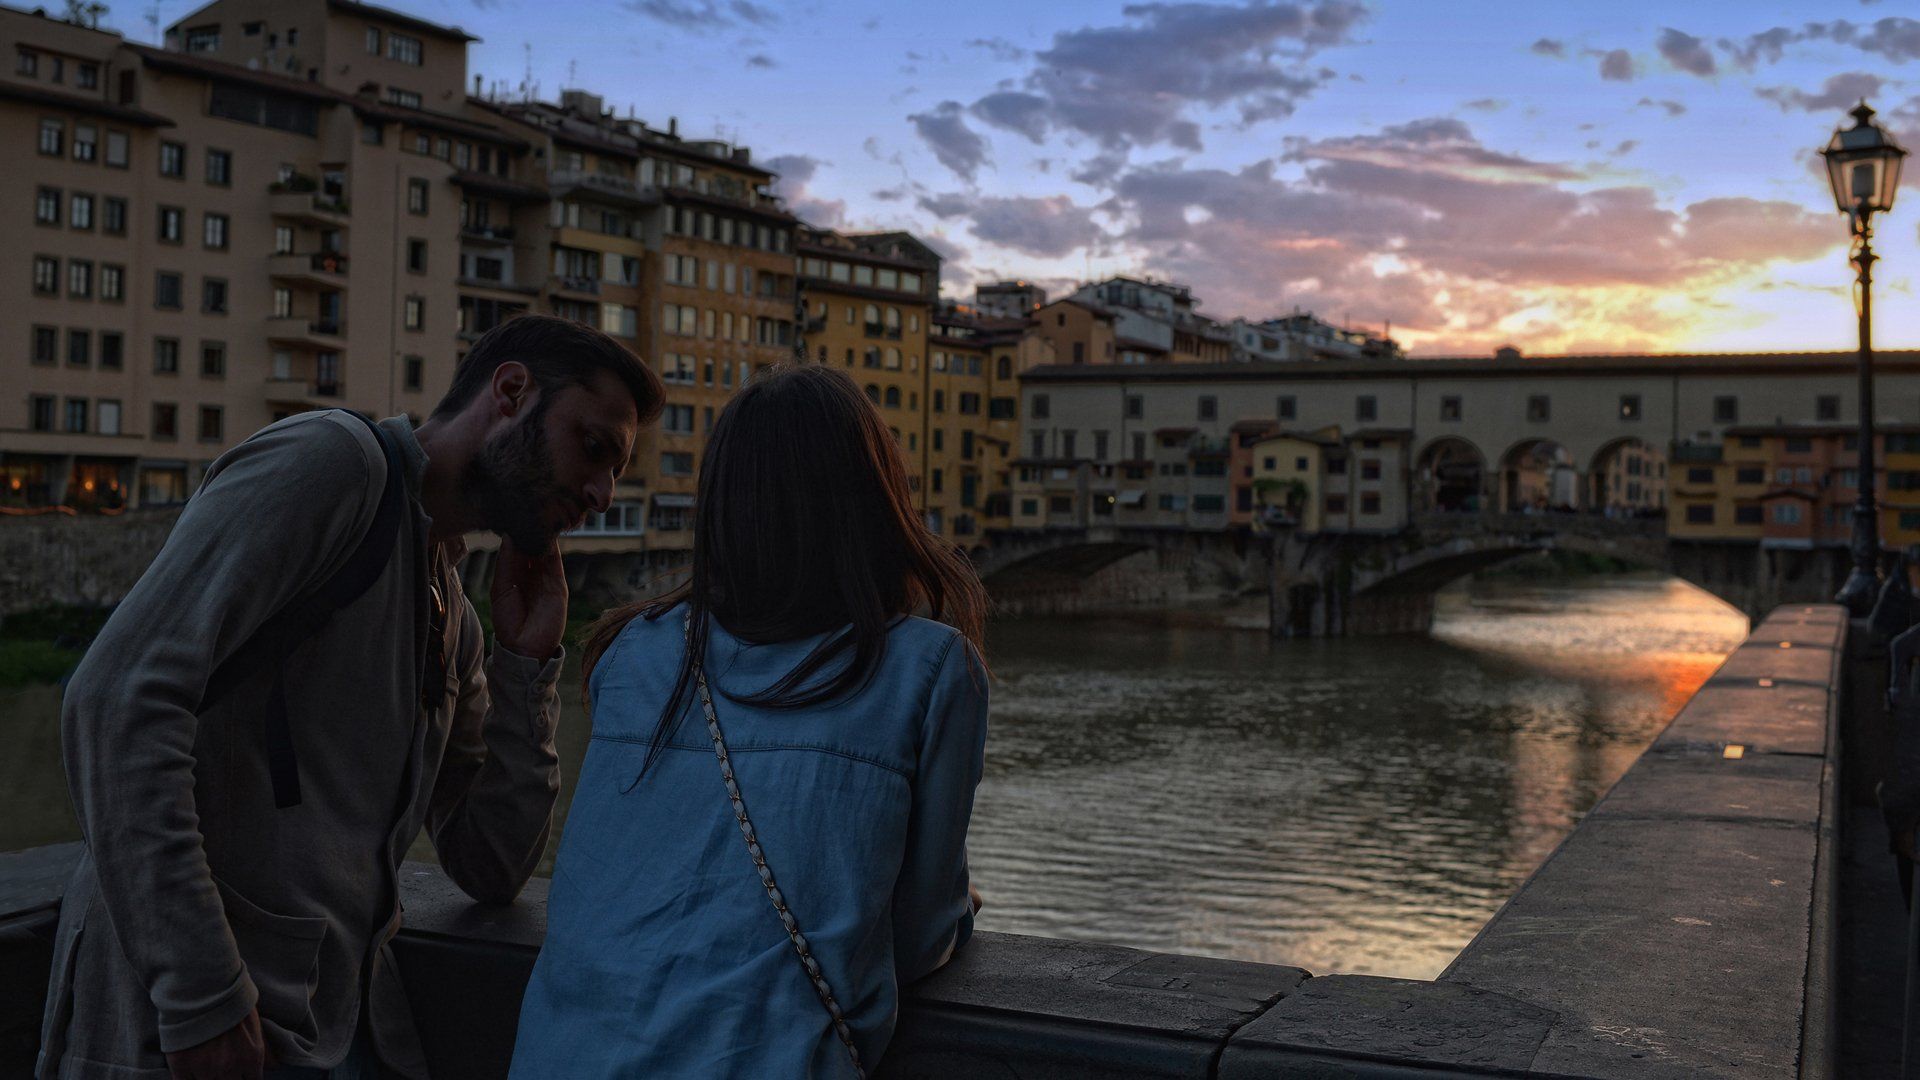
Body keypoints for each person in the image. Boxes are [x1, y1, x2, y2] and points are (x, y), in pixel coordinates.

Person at [39, 314, 662, 1080]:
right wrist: (199, 991)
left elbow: (490, 864)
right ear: (510, 392)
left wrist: (527, 663)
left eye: (615, 474)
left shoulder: (450, 607)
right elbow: (116, 700)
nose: (601, 493)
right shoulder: (332, 463)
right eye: (593, 449)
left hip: (321, 1029)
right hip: (180, 1033)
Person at [509, 363, 990, 1079]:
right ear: (872, 496)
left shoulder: (632, 651)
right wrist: (960, 906)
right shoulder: (928, 670)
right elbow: (918, 943)